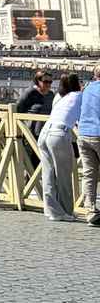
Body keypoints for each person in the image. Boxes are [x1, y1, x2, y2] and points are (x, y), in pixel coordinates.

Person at [38, 73, 83, 221]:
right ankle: (66, 212)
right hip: (59, 134)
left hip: (45, 133)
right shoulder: (79, 96)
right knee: (63, 175)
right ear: (77, 84)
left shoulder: (59, 96)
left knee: (48, 175)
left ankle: (52, 211)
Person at [76, 67, 100, 224]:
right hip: (98, 133)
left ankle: (90, 210)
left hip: (84, 134)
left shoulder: (87, 88)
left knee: (89, 174)